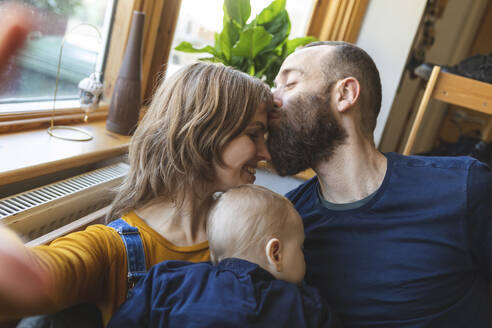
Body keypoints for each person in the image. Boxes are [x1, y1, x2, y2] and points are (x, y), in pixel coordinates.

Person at [0, 62, 272, 326]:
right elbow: (43, 273)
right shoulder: (111, 250)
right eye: (253, 135)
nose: (265, 154)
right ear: (203, 132)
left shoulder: (247, 231)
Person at [267, 40, 492, 327]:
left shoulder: (463, 188)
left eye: (289, 83)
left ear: (345, 94)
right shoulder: (288, 223)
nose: (272, 99)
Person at [107, 184, 341, 328]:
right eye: (300, 248)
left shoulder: (166, 280)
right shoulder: (307, 306)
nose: (304, 258)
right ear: (275, 253)